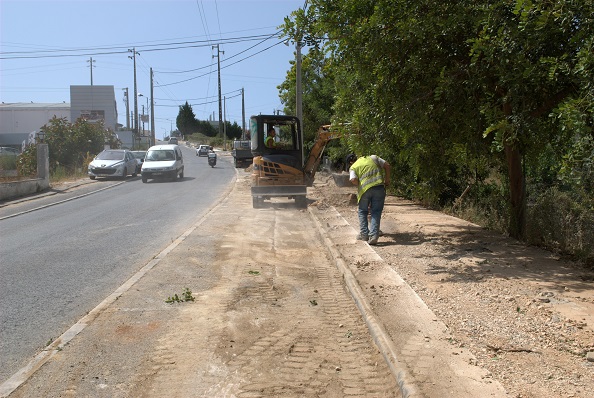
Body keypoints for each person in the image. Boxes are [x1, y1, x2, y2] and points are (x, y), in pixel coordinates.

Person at [348, 153, 391, 245]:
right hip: (379, 188)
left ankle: (364, 234)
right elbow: (387, 165)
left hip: (364, 191)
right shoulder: (374, 158)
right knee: (376, 212)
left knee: (362, 211)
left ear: (351, 162)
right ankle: (374, 236)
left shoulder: (353, 167)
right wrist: (387, 180)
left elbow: (353, 179)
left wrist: (359, 184)